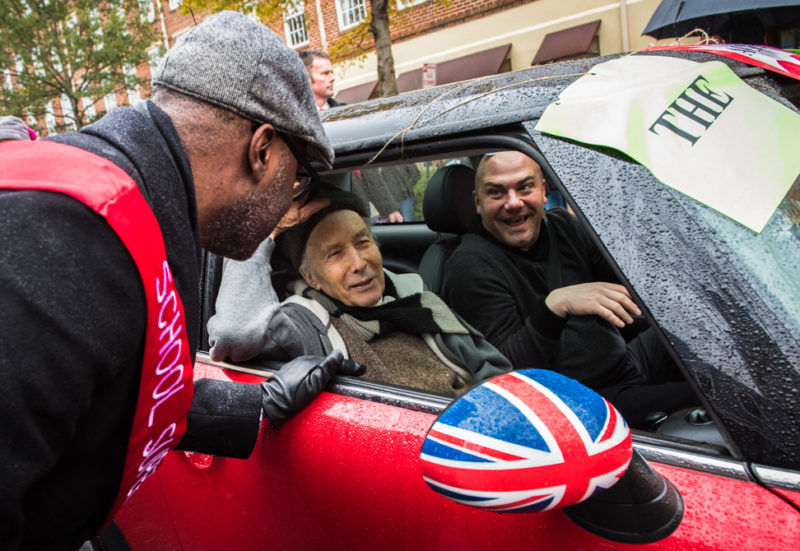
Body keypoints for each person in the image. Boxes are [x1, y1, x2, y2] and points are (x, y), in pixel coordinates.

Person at [0, 12, 363, 551]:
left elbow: (114, 375)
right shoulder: (65, 235)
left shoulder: (147, 209)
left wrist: (254, 405)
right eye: (297, 179)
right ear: (261, 151)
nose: (291, 203)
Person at [440, 151, 699, 426]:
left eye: (525, 187)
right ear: (478, 203)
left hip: (624, 357)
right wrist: (554, 307)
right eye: (497, 193)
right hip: (581, 403)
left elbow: (630, 289)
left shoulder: (565, 226)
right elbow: (506, 374)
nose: (513, 202)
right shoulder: (470, 267)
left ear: (543, 190)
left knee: (704, 339)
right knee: (706, 403)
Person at [208, 188, 511, 396]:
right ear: (310, 277)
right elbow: (234, 335)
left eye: (363, 242)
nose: (358, 263)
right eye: (335, 253)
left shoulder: (414, 298)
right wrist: (263, 235)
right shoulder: (306, 322)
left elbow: (496, 372)